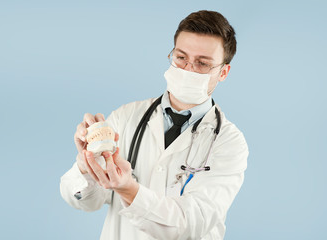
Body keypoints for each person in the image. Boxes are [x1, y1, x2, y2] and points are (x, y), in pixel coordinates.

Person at [60, 10, 248, 240]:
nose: (188, 70)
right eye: (181, 57)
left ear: (223, 72)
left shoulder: (229, 142)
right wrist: (87, 162)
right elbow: (83, 201)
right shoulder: (126, 117)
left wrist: (129, 189)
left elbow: (192, 224)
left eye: (202, 63)